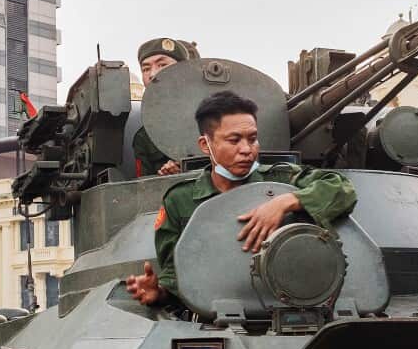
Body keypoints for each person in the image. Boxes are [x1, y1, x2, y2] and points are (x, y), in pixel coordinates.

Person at [125, 91, 356, 307]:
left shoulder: (282, 179)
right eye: (234, 140)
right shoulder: (180, 201)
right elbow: (175, 274)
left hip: (293, 305)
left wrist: (285, 202)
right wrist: (160, 293)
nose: (247, 149)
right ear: (206, 145)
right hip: (217, 314)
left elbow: (342, 189)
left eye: (252, 139)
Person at [132, 37, 200, 177]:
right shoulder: (144, 137)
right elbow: (143, 185)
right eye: (146, 69)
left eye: (162, 65)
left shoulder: (213, 116)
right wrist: (165, 177)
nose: (152, 74)